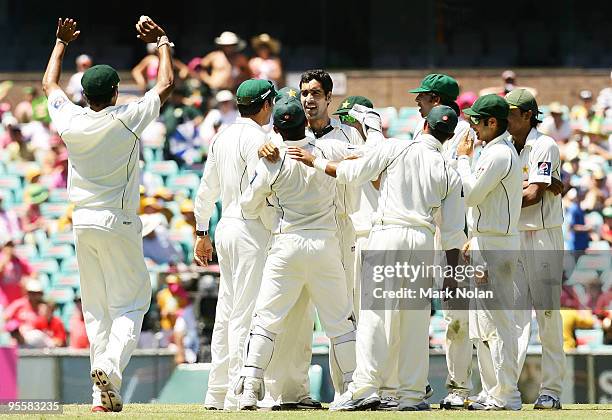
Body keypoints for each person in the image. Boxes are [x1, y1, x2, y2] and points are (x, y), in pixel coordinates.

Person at [289, 105, 465, 411]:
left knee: (374, 318)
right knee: (414, 321)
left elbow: (352, 173)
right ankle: (411, 396)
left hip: (389, 234)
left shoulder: (396, 146)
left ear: (424, 126)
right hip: (423, 239)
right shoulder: (449, 169)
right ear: (448, 137)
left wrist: (315, 160)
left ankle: (363, 389)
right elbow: (451, 233)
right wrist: (451, 275)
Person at [42, 16, 174, 412]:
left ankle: (102, 396)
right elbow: (165, 86)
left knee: (96, 311)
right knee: (132, 305)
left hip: (82, 223)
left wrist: (61, 42)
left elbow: (49, 84)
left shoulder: (70, 120)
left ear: (83, 94)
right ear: (116, 92)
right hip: (117, 221)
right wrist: (163, 42)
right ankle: (111, 371)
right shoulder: (126, 119)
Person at [234, 96, 357, 410]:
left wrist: (268, 156)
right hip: (325, 245)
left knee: (266, 321)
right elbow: (359, 159)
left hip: (287, 245)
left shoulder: (271, 158)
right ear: (305, 124)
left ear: (276, 128)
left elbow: (248, 204)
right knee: (340, 323)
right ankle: (356, 387)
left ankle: (250, 389)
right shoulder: (327, 150)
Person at [193, 79, 275, 411]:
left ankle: (217, 391)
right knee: (246, 311)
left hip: (225, 224)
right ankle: (240, 393)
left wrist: (201, 232)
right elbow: (262, 188)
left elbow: (205, 189)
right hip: (249, 227)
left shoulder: (222, 135)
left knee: (228, 310)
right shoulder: (259, 139)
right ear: (266, 105)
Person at [455, 94, 523, 410]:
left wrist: (462, 159)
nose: (472, 126)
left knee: (499, 322)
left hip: (497, 246)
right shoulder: (493, 150)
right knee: (482, 324)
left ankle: (507, 393)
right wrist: (475, 237)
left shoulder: (497, 154)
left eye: (476, 120)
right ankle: (492, 390)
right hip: (487, 241)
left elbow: (471, 195)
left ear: (492, 122)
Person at [505, 88, 566, 410]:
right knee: (514, 317)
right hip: (513, 233)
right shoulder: (502, 144)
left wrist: (497, 203)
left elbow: (533, 197)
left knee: (546, 314)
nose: (504, 118)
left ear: (527, 115)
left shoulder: (544, 144)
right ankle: (507, 391)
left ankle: (552, 390)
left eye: (510, 112)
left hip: (543, 234)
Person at [0, 240, 33, 306]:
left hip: (18, 299)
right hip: (3, 300)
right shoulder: (1, 259)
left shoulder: (19, 260)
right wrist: (4, 262)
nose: (10, 249)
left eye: (12, 246)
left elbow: (33, 272)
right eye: (8, 246)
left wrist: (27, 280)